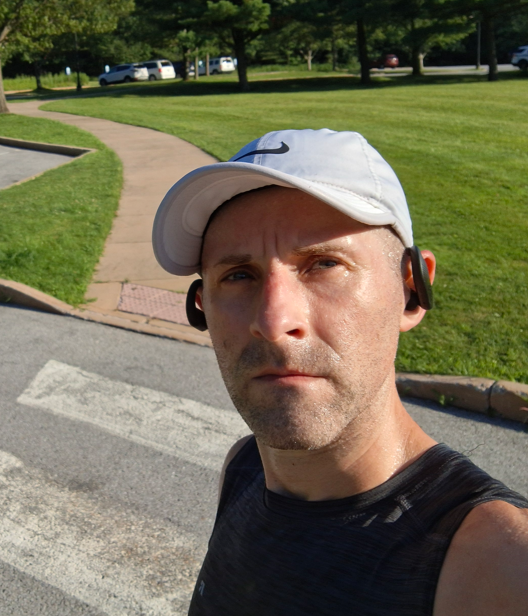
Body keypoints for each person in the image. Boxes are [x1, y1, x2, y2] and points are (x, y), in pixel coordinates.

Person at [151, 129, 528, 615]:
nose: (274, 321)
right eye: (238, 275)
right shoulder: (242, 469)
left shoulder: (499, 565)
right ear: (203, 305)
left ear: (412, 290)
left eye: (324, 264)